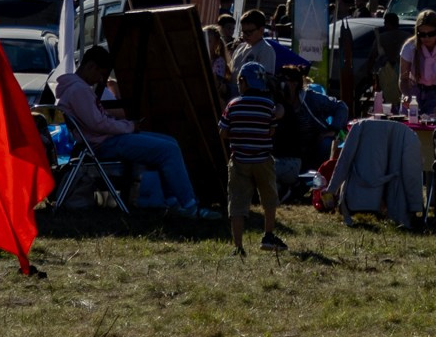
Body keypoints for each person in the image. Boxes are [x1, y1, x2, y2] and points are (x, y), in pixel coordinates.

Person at [54, 44, 206, 221]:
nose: (100, 80)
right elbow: (98, 124)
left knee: (169, 142)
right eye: (100, 74)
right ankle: (188, 204)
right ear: (90, 67)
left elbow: (97, 122)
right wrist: (129, 126)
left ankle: (174, 201)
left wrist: (125, 125)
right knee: (168, 149)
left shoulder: (73, 88)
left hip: (101, 141)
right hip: (103, 144)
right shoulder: (78, 90)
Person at [221, 62, 286, 254]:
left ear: (242, 82)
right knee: (269, 198)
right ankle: (268, 235)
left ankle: (238, 246)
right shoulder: (268, 106)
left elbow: (223, 132)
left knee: (238, 203)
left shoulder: (233, 105)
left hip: (240, 160)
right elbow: (271, 130)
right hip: (263, 159)